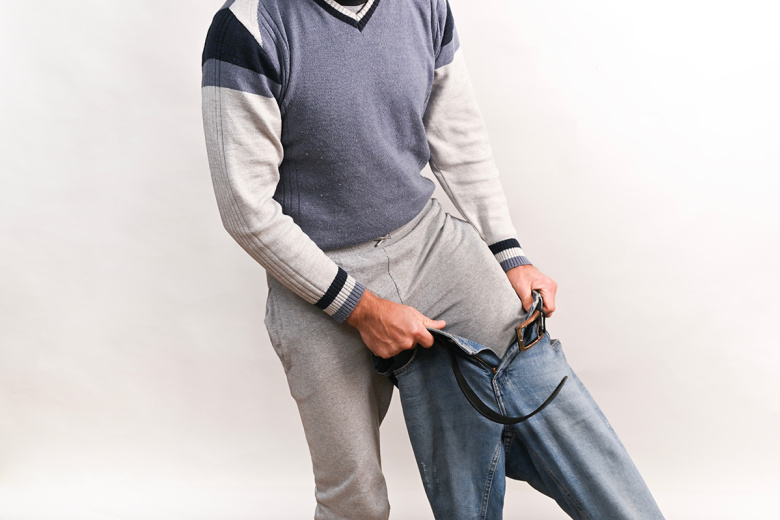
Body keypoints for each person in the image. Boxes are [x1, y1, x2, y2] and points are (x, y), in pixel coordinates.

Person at [201, 0, 664, 518]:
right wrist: (363, 310)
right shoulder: (247, 28)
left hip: (429, 244)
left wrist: (509, 254)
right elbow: (245, 209)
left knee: (556, 408)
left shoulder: (425, 5)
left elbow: (458, 137)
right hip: (316, 275)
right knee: (353, 499)